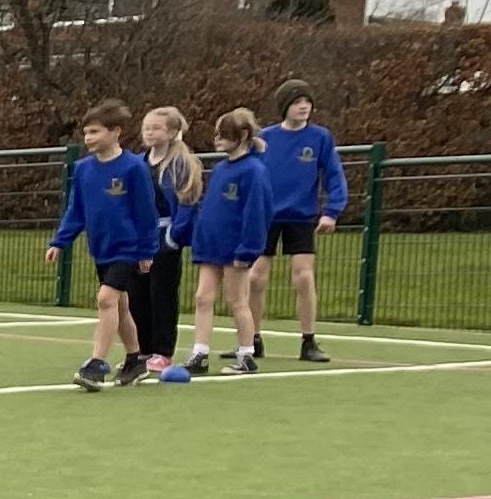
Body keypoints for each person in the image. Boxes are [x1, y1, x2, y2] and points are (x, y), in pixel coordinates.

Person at [49, 103, 165, 389]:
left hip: (128, 249)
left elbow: (146, 213)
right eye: (86, 133)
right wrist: (60, 241)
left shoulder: (134, 168)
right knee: (120, 305)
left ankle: (97, 364)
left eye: (95, 132)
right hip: (101, 249)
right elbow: (76, 211)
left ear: (116, 132)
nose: (88, 138)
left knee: (105, 299)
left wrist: (147, 250)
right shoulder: (84, 169)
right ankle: (135, 359)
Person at [257, 80, 347, 364]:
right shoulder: (264, 138)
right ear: (285, 106)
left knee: (304, 277)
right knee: (255, 277)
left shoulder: (321, 137)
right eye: (297, 102)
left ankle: (308, 341)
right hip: (266, 217)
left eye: (307, 102)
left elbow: (334, 175)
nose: (303, 106)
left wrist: (331, 211)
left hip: (302, 217)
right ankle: (251, 339)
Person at [186, 108, 274, 376]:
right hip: (212, 247)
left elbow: (257, 214)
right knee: (203, 297)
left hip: (236, 249)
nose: (217, 140)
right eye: (217, 135)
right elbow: (213, 209)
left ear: (243, 135)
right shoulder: (222, 168)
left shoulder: (254, 171)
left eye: (224, 135)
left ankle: (246, 353)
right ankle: (199, 352)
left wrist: (247, 249)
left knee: (237, 301)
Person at [135, 106, 203, 379]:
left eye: (156, 128)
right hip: (141, 237)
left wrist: (174, 237)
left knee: (161, 294)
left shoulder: (180, 164)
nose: (150, 133)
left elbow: (187, 203)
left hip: (165, 237)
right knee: (137, 294)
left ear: (173, 132)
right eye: (146, 128)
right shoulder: (139, 162)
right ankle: (142, 350)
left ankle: (163, 351)